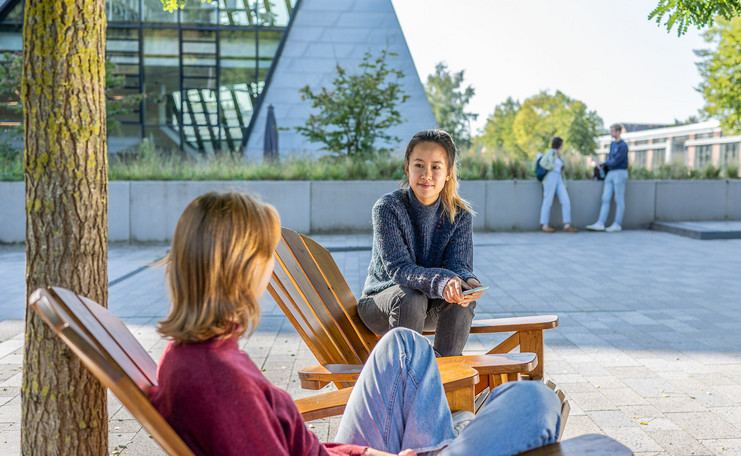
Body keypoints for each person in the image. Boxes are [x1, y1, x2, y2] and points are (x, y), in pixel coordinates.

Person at [148, 190, 562, 456]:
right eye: (265, 253)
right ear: (239, 265)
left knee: (405, 343)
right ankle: (453, 437)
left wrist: (363, 453)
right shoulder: (219, 381)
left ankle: (449, 439)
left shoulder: (201, 355)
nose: (270, 265)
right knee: (532, 401)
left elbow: (295, 444)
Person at [357, 130, 483, 357]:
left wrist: (468, 281)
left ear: (448, 173)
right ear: (407, 168)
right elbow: (399, 269)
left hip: (429, 306)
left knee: (461, 302)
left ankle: (446, 376)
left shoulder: (459, 214)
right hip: (381, 303)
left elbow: (458, 265)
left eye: (436, 167)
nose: (427, 174)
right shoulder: (388, 208)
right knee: (411, 297)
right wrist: (443, 281)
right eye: (419, 165)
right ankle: (406, 378)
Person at [587, 124, 628, 232]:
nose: (611, 133)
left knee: (618, 199)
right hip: (610, 173)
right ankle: (601, 222)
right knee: (605, 198)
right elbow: (611, 159)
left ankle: (617, 224)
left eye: (612, 131)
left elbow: (617, 160)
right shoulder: (612, 144)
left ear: (618, 132)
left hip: (619, 172)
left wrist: (605, 162)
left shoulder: (623, 146)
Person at [537, 137, 577, 233]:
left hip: (559, 178)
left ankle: (567, 225)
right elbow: (542, 162)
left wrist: (561, 158)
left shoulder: (559, 154)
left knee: (566, 201)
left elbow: (566, 166)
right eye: (562, 143)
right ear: (559, 143)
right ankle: (545, 225)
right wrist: (552, 167)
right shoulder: (550, 152)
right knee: (548, 201)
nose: (563, 145)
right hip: (550, 177)